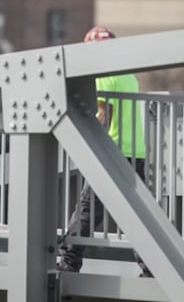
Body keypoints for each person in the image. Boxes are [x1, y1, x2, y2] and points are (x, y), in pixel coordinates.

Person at [56, 25, 151, 276]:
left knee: (88, 209)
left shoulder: (103, 74)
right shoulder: (127, 74)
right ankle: (151, 265)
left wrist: (86, 142)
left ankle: (69, 261)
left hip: (112, 150)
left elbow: (103, 114)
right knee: (136, 214)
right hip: (135, 152)